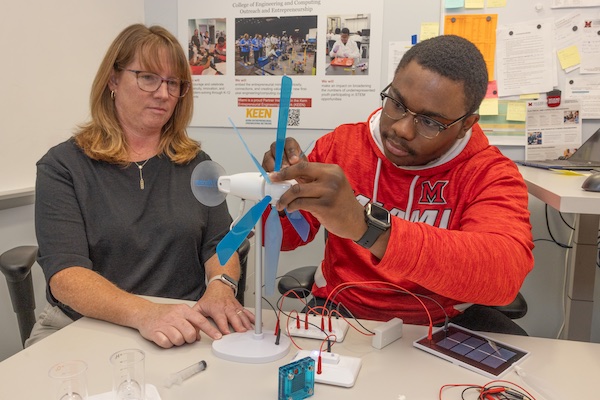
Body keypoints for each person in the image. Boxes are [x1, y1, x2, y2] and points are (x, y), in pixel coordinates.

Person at [263, 35, 534, 335]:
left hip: (442, 323)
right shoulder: (341, 147)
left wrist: (368, 227)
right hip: (343, 310)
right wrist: (274, 194)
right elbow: (282, 238)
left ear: (466, 126)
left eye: (431, 122)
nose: (401, 129)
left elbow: (503, 275)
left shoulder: (489, 173)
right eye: (397, 103)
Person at [30, 24, 255, 348]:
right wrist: (145, 314)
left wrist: (221, 284)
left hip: (181, 326)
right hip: (82, 327)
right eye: (148, 77)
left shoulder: (196, 163)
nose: (163, 93)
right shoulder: (64, 166)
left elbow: (221, 243)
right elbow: (67, 275)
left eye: (174, 83)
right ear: (113, 80)